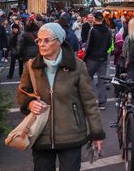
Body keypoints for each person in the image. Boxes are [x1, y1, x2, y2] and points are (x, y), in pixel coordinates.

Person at [17, 22, 105, 171]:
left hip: (71, 133)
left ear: (59, 41)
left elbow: (89, 102)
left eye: (47, 40)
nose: (42, 44)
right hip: (40, 133)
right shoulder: (31, 66)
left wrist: (96, 133)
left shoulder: (77, 66)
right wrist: (30, 103)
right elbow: (22, 93)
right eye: (39, 40)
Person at [84, 11, 112, 110]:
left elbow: (89, 45)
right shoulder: (108, 30)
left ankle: (88, 100)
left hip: (92, 58)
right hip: (103, 58)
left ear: (95, 19)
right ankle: (102, 102)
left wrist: (85, 57)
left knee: (87, 79)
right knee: (102, 80)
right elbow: (110, 45)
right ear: (103, 19)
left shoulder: (92, 30)